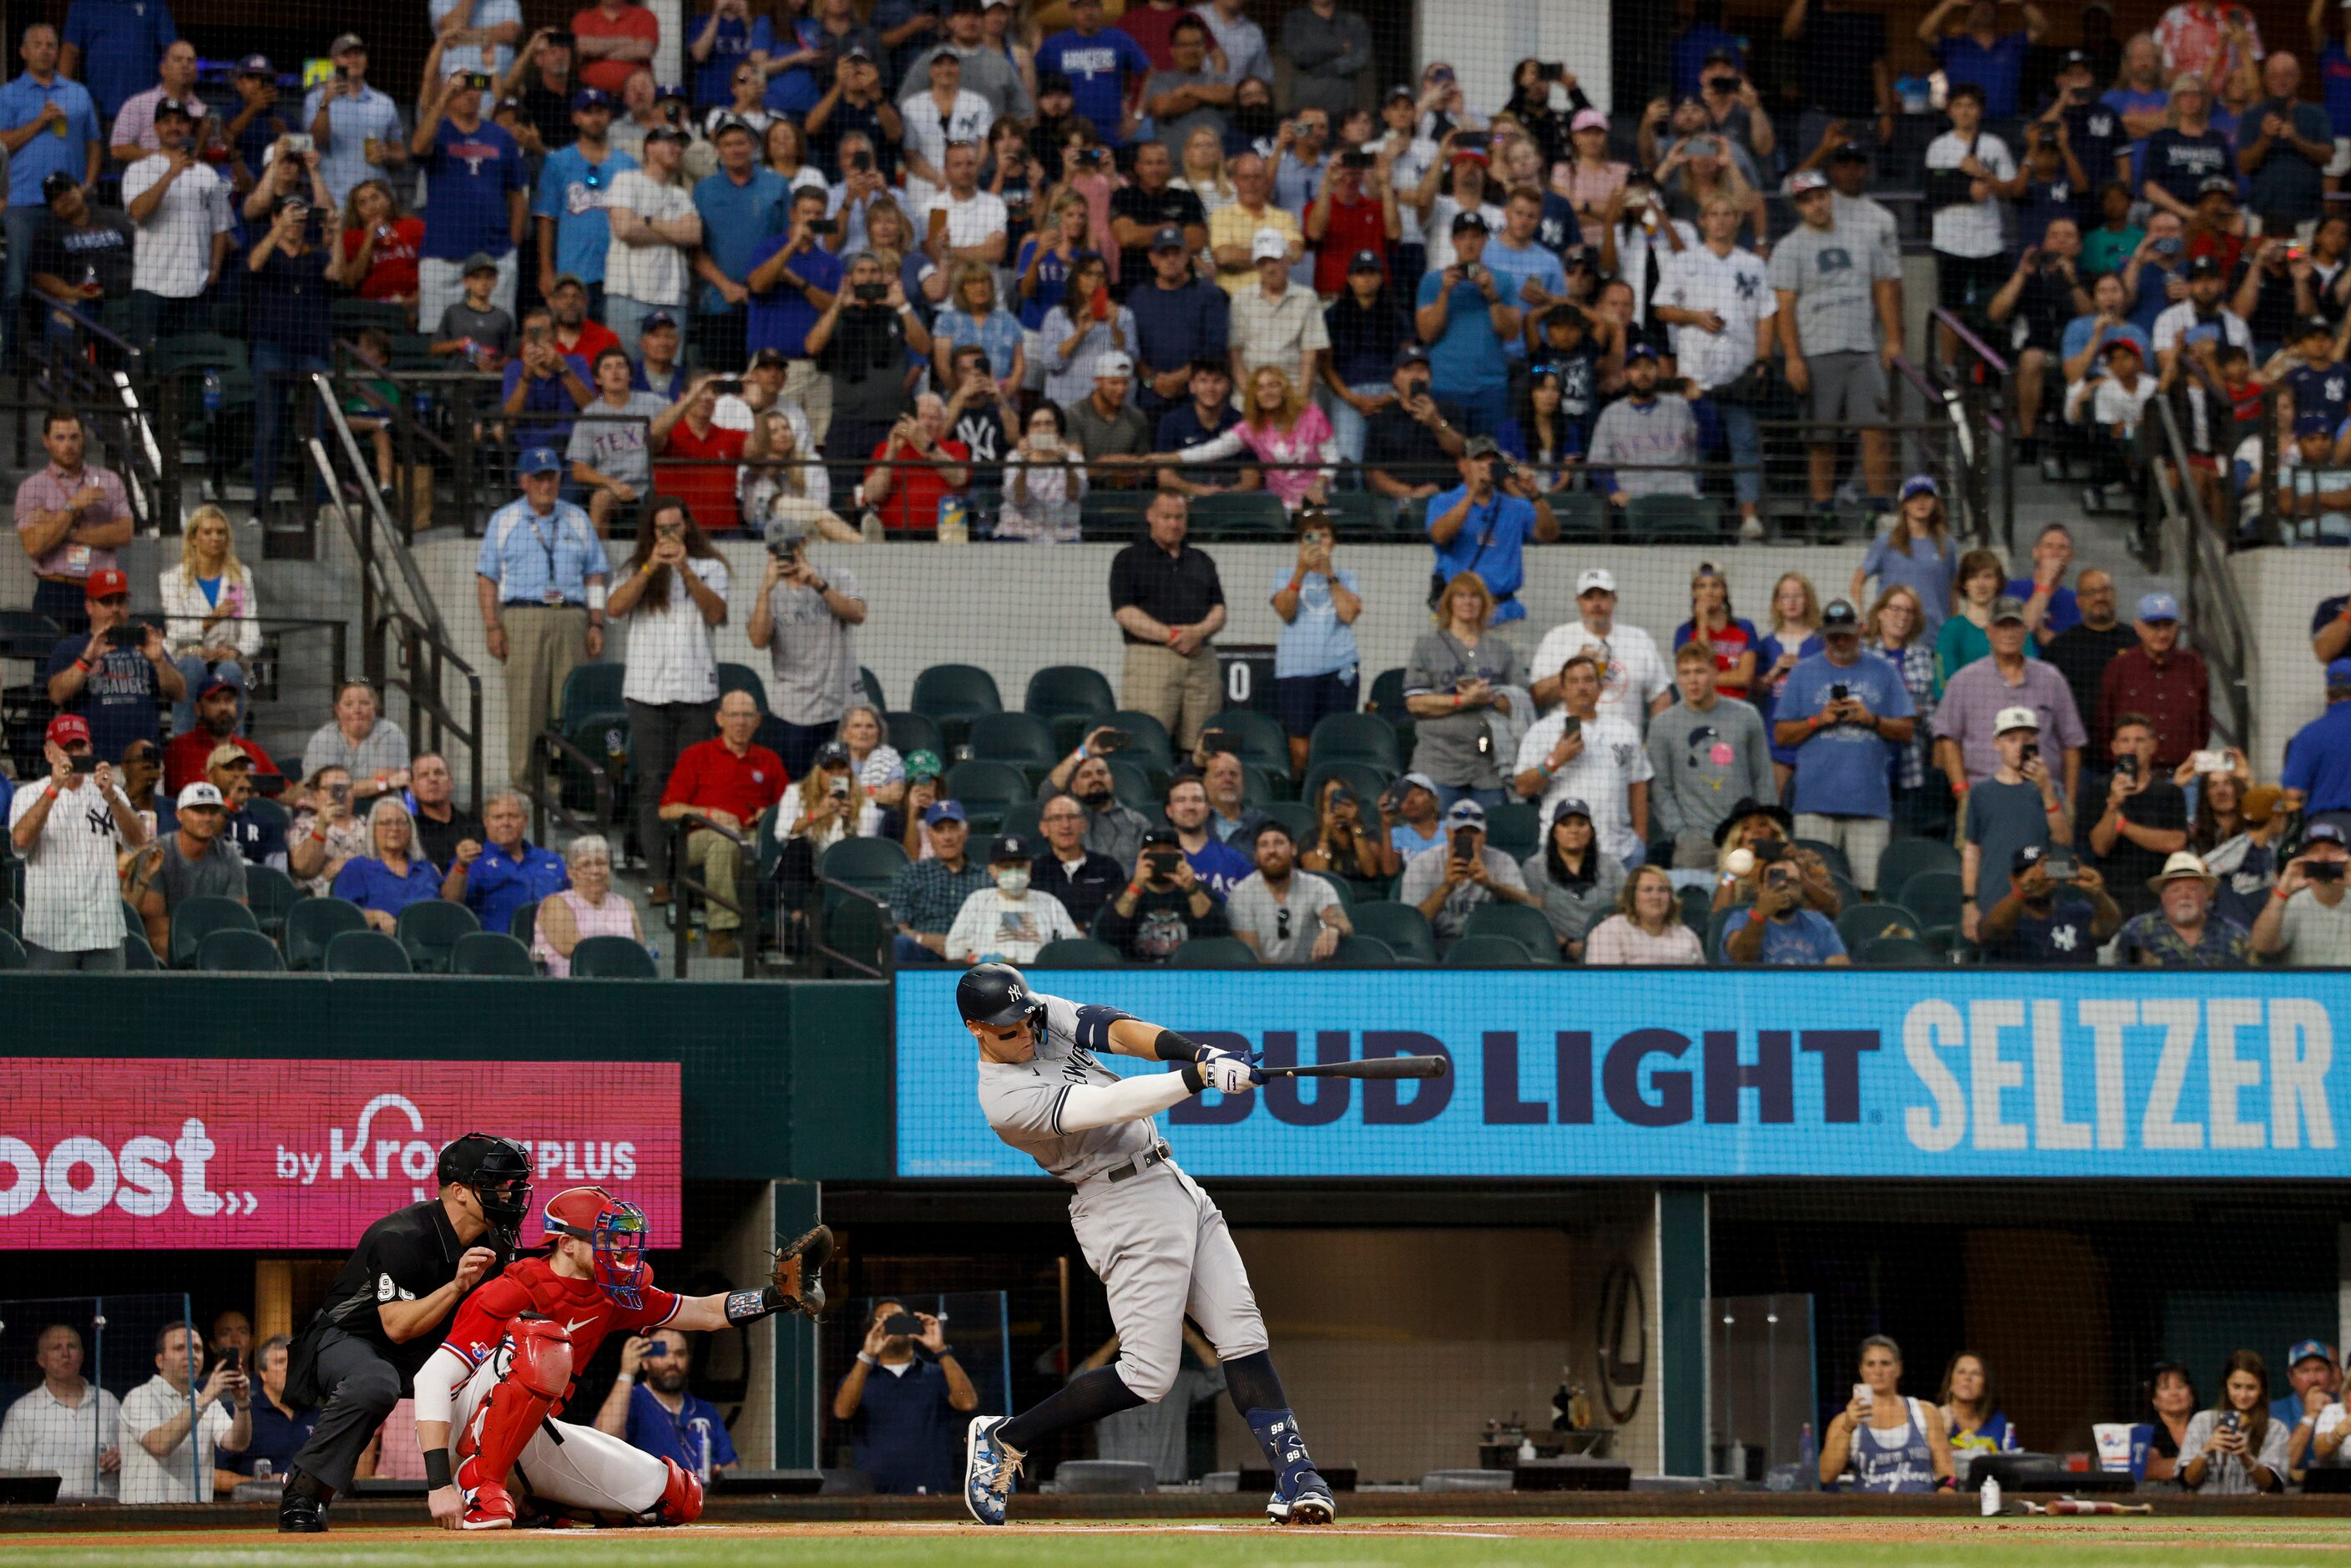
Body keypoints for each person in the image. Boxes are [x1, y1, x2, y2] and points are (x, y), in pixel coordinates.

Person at [955, 964, 1335, 1523]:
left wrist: (1200, 1053)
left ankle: (1296, 1475)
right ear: (976, 1029)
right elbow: (1112, 1106)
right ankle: (1005, 1440)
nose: (1027, 1031)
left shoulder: (1038, 1014)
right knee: (1147, 1377)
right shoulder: (1004, 1101)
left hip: (1170, 1181)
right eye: (1010, 1028)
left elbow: (1119, 1030)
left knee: (1241, 1330)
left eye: (1028, 1019)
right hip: (1119, 1205)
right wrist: (1197, 1080)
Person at [408, 1187, 827, 1530]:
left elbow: (704, 1313)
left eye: (617, 1238)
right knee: (542, 1339)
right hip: (459, 1433)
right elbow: (431, 1379)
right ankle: (480, 1487)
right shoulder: (512, 1289)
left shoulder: (611, 1293)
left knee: (679, 1498)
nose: (618, 1249)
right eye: (604, 1239)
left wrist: (774, 1298)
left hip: (529, 1436)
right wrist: (438, 1484)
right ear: (567, 1244)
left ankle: (539, 1501)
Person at [607, 498, 729, 903]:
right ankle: (658, 877)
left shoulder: (711, 567)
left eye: (676, 527)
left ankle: (690, 878)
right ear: (651, 533)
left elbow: (715, 614)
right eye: (662, 529)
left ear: (688, 527)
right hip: (647, 692)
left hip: (696, 693)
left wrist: (685, 569)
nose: (670, 536)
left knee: (694, 788)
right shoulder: (633, 569)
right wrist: (651, 568)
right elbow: (614, 608)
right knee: (652, 787)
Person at [1771, 170, 1904, 528]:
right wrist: (1793, 357)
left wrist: (1893, 339)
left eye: (1821, 196)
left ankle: (1879, 509)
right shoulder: (1789, 247)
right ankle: (1825, 513)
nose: (1816, 204)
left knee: (1877, 431)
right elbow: (1784, 308)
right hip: (1816, 352)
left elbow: (1884, 287)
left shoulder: (1863, 238)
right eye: (1808, 199)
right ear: (1799, 205)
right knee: (1821, 439)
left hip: (1862, 349)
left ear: (1830, 196)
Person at [478, 448, 609, 792]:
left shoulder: (578, 518)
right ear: (523, 481)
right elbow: (487, 578)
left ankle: (566, 786)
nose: (546, 484)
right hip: (523, 618)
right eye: (538, 477)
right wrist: (493, 626)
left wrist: (596, 622)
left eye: (551, 476)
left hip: (571, 618)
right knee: (525, 703)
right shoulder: (503, 520)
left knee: (569, 704)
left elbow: (595, 574)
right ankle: (524, 784)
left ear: (560, 479)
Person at [1774, 599, 1916, 895]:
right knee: (1812, 890)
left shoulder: (1884, 672)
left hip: (1868, 804)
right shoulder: (1803, 673)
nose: (1840, 641)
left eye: (1846, 634)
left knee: (1868, 891)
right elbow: (1781, 734)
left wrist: (1871, 719)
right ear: (1822, 635)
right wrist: (1818, 721)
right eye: (1833, 635)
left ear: (1862, 631)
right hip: (1814, 804)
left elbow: (1907, 729)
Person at [0, 25, 104, 360]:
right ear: (24, 52)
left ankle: (57, 364)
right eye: (38, 45)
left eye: (51, 45)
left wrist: (87, 185)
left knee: (72, 286)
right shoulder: (9, 94)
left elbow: (94, 143)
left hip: (70, 207)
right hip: (21, 204)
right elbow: (2, 143)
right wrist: (40, 120)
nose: (46, 50)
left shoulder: (77, 93)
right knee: (15, 286)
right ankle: (11, 365)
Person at [659, 691, 787, 959]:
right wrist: (708, 814)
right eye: (733, 715)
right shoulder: (696, 755)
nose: (740, 722)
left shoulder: (769, 760)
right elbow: (667, 810)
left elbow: (788, 810)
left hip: (751, 836)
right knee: (723, 840)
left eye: (747, 715)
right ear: (720, 719)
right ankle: (720, 931)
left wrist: (770, 813)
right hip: (697, 838)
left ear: (757, 721)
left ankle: (781, 928)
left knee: (784, 845)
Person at [10, 714, 143, 967]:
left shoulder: (109, 792)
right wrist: (54, 789)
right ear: (49, 754)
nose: (75, 754)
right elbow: (21, 842)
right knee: (47, 1007)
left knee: (107, 1007)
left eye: (80, 746)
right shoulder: (28, 795)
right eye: (66, 748)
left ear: (90, 749)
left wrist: (113, 797)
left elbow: (138, 840)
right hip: (49, 934)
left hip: (102, 930)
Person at [409, 55, 528, 333]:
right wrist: (444, 96)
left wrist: (512, 243)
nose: (468, 92)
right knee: (436, 336)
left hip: (495, 255)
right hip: (443, 254)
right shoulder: (438, 131)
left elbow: (517, 193)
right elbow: (417, 148)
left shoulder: (501, 136)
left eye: (474, 85)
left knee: (496, 337)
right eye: (461, 86)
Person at [1934, 596, 2088, 799]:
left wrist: (2069, 803)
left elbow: (2072, 743)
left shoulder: (2051, 679)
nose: (2008, 633)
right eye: (2001, 626)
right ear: (1989, 632)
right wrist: (1962, 793)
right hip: (1983, 797)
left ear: (2025, 630)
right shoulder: (1964, 680)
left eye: (2014, 626)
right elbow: (1948, 739)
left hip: (2041, 795)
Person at [1107, 492, 1225, 751]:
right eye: (1166, 517)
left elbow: (1219, 609)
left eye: (1179, 517)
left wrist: (1198, 632)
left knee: (1202, 747)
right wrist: (1172, 636)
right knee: (1146, 743)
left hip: (1201, 661)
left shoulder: (1201, 560)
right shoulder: (1128, 559)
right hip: (1151, 660)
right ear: (1150, 517)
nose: (1173, 524)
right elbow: (1124, 613)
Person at [1513, 652, 1651, 868]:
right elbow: (1522, 788)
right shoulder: (1542, 730)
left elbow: (1638, 784)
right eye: (1574, 681)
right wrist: (1555, 760)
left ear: (1600, 687)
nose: (1582, 687)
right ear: (1562, 690)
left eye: (1588, 680)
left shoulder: (1624, 729)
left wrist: (1640, 841)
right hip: (1562, 853)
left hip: (1620, 850)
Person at [830, 1299, 978, 1496]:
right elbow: (843, 1411)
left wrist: (940, 1350)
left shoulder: (937, 1375)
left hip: (929, 1489)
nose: (892, 1326)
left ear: (912, 1325)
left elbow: (966, 1402)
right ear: (872, 1329)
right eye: (884, 1321)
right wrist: (867, 1354)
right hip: (872, 1493)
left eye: (899, 1320)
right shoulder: (859, 1379)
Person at [1404, 572, 1524, 811]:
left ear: (1484, 603)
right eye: (1460, 596)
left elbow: (1521, 702)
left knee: (1490, 838)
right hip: (1438, 763)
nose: (1468, 602)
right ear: (1449, 603)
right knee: (1440, 837)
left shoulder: (1501, 649)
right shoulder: (1427, 645)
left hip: (1489, 767)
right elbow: (1415, 702)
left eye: (1474, 596)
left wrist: (1490, 698)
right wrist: (1462, 700)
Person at [119, 95, 229, 347]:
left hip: (195, 288)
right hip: (151, 287)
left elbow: (221, 225)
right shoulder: (139, 170)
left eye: (180, 122)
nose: (174, 127)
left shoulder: (207, 174)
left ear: (189, 127)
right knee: (145, 366)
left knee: (190, 367)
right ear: (156, 128)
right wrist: (170, 174)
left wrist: (214, 269)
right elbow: (137, 212)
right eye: (167, 121)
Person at [1426, 438, 1560, 645]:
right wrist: (1472, 492)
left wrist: (1534, 494)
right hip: (1458, 616)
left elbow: (1549, 534)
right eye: (1479, 459)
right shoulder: (1443, 502)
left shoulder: (1517, 506)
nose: (1487, 465)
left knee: (1510, 677)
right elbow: (1440, 535)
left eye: (1492, 460)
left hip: (1504, 614)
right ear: (1463, 466)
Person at [44, 565, 181, 763]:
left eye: (120, 601)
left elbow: (179, 693)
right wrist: (87, 660)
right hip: (91, 761)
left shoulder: (145, 644)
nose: (116, 608)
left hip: (143, 763)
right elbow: (57, 695)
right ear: (89, 606)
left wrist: (160, 662)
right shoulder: (72, 647)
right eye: (107, 602)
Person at [15, 407, 133, 636]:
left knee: (102, 665)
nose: (68, 445)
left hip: (102, 591)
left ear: (83, 438)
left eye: (74, 437)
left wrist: (65, 531)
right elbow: (34, 545)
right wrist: (72, 506)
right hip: (55, 589)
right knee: (48, 667)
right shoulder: (32, 487)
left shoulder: (109, 480)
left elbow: (124, 533)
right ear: (46, 441)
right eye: (60, 438)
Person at [1264, 508, 1360, 775]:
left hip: (1338, 667)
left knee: (1335, 742)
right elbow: (1286, 612)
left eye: (1325, 536)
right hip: (1296, 669)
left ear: (1334, 542)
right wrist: (1301, 571)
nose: (1318, 542)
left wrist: (1329, 572)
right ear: (1299, 542)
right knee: (1300, 748)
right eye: (1310, 536)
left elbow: (1348, 613)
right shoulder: (1284, 575)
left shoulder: (1346, 577)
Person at [118, 1320, 249, 1504]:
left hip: (195, 1520)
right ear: (160, 1361)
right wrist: (205, 1399)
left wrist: (242, 1403)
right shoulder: (140, 1397)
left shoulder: (208, 1402)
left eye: (197, 1349)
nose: (191, 1355)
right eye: (180, 1348)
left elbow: (237, 1443)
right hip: (144, 1519)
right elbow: (160, 1445)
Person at [2083, 713, 2192, 920]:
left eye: (2139, 740)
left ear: (2153, 746)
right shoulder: (2097, 791)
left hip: (2157, 896)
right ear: (2114, 747)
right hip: (2112, 896)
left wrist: (2122, 825)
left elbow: (2176, 842)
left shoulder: (2170, 793)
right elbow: (2100, 846)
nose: (2132, 747)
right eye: (2125, 740)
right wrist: (2113, 805)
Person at [0, 1324, 121, 1498]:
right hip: (44, 1519)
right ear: (41, 1360)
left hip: (103, 1516)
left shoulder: (108, 1402)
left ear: (82, 1354)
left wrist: (121, 1458)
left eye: (72, 1346)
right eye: (57, 1348)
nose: (66, 1354)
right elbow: (7, 1474)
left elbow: (132, 1460)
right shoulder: (22, 1411)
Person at [1818, 1336, 1953, 1492]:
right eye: (1871, 1364)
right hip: (1869, 1513)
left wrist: (1943, 1506)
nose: (1878, 1371)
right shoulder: (1843, 1421)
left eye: (1885, 1363)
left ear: (1899, 1369)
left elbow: (1948, 1475)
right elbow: (1825, 1476)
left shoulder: (1926, 1412)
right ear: (1861, 1370)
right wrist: (1847, 1428)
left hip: (1922, 1512)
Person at [127, 778, 245, 955]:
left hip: (216, 941)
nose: (207, 818)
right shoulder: (158, 853)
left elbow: (237, 917)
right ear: (179, 815)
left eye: (213, 811)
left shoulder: (230, 857)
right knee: (162, 940)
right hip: (171, 941)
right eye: (198, 810)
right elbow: (154, 922)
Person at [1397, 798, 1540, 944]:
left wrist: (1491, 884)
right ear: (1448, 833)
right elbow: (1411, 925)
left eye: (1474, 832)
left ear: (1484, 835)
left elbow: (1528, 902)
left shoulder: (1502, 861)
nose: (1468, 839)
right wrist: (1446, 887)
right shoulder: (1422, 863)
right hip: (1436, 945)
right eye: (1460, 833)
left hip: (1487, 943)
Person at [594, 1333, 736, 1479]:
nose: (672, 1362)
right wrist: (626, 1373)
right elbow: (602, 1442)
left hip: (704, 1499)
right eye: (662, 1353)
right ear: (645, 1361)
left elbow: (731, 1464)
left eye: (680, 1354)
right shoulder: (631, 1400)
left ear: (688, 1359)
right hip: (651, 1499)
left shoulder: (706, 1410)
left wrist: (721, 1473)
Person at [2097, 593, 2210, 766]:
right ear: (2138, 627)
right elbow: (2105, 724)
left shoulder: (2193, 664)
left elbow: (2204, 724)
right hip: (2133, 775)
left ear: (2177, 627)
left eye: (2168, 625)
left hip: (2185, 777)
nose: (2162, 634)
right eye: (2154, 626)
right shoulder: (2120, 667)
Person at [1093, 822, 1231, 959]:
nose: (1160, 859)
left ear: (1180, 856)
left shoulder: (1199, 889)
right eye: (1155, 854)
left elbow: (1218, 934)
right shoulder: (1126, 891)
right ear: (1142, 858)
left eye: (1167, 853)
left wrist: (1192, 890)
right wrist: (1136, 886)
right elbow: (1107, 935)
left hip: (1188, 972)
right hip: (1139, 974)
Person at [302, 35, 407, 210]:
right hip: (336, 203)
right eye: (346, 55)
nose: (353, 60)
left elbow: (402, 155)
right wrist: (326, 102)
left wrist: (387, 154)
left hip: (377, 203)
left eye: (358, 54)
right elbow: (314, 142)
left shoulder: (384, 102)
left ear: (366, 60)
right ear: (334, 61)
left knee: (385, 238)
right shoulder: (315, 99)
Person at [942, 831, 1079, 964]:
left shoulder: (1049, 903)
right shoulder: (977, 900)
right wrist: (980, 960)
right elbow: (954, 949)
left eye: (1020, 866)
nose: (1014, 871)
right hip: (989, 978)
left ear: (1030, 866)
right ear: (992, 870)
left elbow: (1073, 949)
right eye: (1006, 867)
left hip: (1038, 977)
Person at [1225, 820, 1350, 962]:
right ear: (1256, 855)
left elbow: (1342, 921)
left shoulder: (1317, 886)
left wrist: (1333, 929)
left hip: (1311, 974)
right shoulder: (1242, 894)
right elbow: (1253, 957)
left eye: (1279, 843)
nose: (1272, 851)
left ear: (1294, 849)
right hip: (1263, 977)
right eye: (1264, 845)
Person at [1977, 842, 2121, 964]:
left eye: (2044, 871)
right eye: (2025, 873)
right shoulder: (2005, 917)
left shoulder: (2078, 912)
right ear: (2013, 880)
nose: (2036, 878)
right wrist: (2021, 892)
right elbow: (1991, 932)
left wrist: (2099, 896)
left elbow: (2109, 929)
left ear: (2054, 877)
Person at [1519, 799, 1624, 962]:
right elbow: (1535, 918)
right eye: (1566, 824)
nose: (1574, 830)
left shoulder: (1612, 866)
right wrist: (1567, 945)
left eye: (1581, 824)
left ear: (1591, 831)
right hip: (1552, 950)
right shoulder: (1534, 868)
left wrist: (1598, 941)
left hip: (1606, 949)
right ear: (1555, 832)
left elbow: (1625, 907)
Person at [2178, 1350, 2292, 1494]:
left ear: (2261, 1389)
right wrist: (2206, 1450)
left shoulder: (2276, 1429)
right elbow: (2188, 1480)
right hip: (2207, 1510)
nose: (2243, 1395)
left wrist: (2246, 1458)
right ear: (2227, 1385)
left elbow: (2272, 1486)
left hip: (2254, 1511)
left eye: (2251, 1388)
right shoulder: (2202, 1422)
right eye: (2237, 1386)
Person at [1720, 842, 1850, 965]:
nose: (1783, 886)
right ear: (1760, 889)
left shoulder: (1819, 924)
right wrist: (1760, 914)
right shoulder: (1739, 919)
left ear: (1802, 889)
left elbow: (1840, 972)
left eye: (1792, 882)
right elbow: (1740, 959)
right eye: (1775, 879)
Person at [332, 797, 452, 932]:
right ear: (373, 829)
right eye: (386, 823)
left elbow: (446, 912)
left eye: (401, 822)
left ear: (411, 829)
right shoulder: (356, 868)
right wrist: (374, 916)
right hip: (379, 946)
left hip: (429, 944)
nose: (394, 828)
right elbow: (341, 918)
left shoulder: (427, 869)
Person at [2116, 850, 2251, 965]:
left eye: (2193, 889)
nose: (2184, 896)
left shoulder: (2234, 935)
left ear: (2206, 895)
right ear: (2163, 896)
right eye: (2176, 890)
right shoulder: (2137, 933)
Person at [2248, 819, 2351, 964]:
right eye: (2315, 851)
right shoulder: (2293, 903)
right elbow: (2260, 946)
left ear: (2346, 855)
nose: (2323, 857)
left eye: (2331, 849)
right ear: (2303, 858)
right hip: (2306, 984)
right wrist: (2282, 891)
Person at [301, 681, 412, 809]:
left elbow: (385, 791)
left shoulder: (390, 732)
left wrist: (341, 789)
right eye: (349, 705)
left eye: (364, 703)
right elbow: (326, 792)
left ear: (374, 708)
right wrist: (384, 783)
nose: (357, 710)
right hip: (332, 812)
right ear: (338, 710)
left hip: (383, 810)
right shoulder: (322, 738)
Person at [1032, 792, 1125, 930]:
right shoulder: (1035, 870)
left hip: (1097, 945)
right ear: (1044, 829)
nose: (1066, 825)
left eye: (1072, 817)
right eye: (1057, 818)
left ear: (1083, 825)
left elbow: (1118, 919)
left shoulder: (1108, 867)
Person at [1676, 564, 1761, 700]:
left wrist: (1705, 678)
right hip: (1702, 705)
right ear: (1694, 592)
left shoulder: (1745, 627)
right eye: (1702, 586)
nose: (1709, 592)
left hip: (1738, 707)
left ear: (1724, 590)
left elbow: (1745, 678)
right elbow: (1694, 674)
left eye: (1715, 585)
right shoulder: (1684, 632)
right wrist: (1702, 624)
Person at [1936, 1351, 2021, 1469]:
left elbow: (2011, 1462)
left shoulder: (1997, 1421)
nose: (1967, 1378)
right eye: (1961, 1372)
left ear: (1984, 1387)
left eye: (1976, 1374)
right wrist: (1944, 1430)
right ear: (1950, 1382)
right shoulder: (1934, 1416)